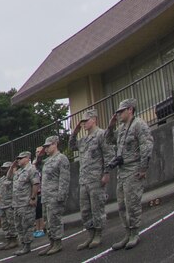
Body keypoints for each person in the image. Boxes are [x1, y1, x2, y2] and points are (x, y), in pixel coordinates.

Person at [108, 98, 153, 251]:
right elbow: (109, 140)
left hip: (133, 169)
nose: (119, 114)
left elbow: (146, 146)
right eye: (118, 112)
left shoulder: (139, 125)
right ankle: (127, 233)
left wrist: (143, 168)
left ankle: (134, 233)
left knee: (132, 203)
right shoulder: (121, 128)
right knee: (121, 205)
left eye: (121, 111)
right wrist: (111, 125)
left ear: (130, 110)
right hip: (122, 171)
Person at [73, 109, 113, 250]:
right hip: (84, 180)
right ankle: (90, 234)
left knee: (97, 208)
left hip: (96, 178)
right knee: (85, 210)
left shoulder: (101, 135)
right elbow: (71, 146)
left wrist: (106, 173)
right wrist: (75, 131)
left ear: (94, 119)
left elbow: (109, 154)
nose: (83, 124)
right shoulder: (83, 140)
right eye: (82, 122)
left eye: (86, 121)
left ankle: (98, 235)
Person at [38, 135, 70, 256]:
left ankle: (57, 243)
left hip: (55, 196)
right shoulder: (47, 161)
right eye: (44, 147)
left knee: (55, 220)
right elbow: (37, 164)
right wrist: (40, 154)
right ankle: (51, 242)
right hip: (46, 196)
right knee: (48, 221)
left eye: (48, 146)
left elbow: (64, 179)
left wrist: (61, 196)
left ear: (55, 144)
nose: (45, 149)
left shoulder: (61, 158)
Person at [11, 150, 41, 256]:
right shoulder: (19, 171)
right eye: (18, 158)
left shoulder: (31, 169)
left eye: (20, 158)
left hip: (26, 203)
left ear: (27, 158)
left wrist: (33, 197)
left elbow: (35, 183)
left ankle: (27, 246)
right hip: (17, 204)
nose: (18, 160)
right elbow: (9, 176)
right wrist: (12, 166)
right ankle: (23, 244)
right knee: (18, 226)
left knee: (27, 225)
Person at [0, 162, 18, 250]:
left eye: (5, 168)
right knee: (4, 224)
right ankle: (8, 240)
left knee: (11, 223)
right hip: (2, 204)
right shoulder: (1, 179)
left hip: (10, 204)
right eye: (3, 168)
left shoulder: (13, 177)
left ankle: (14, 240)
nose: (3, 170)